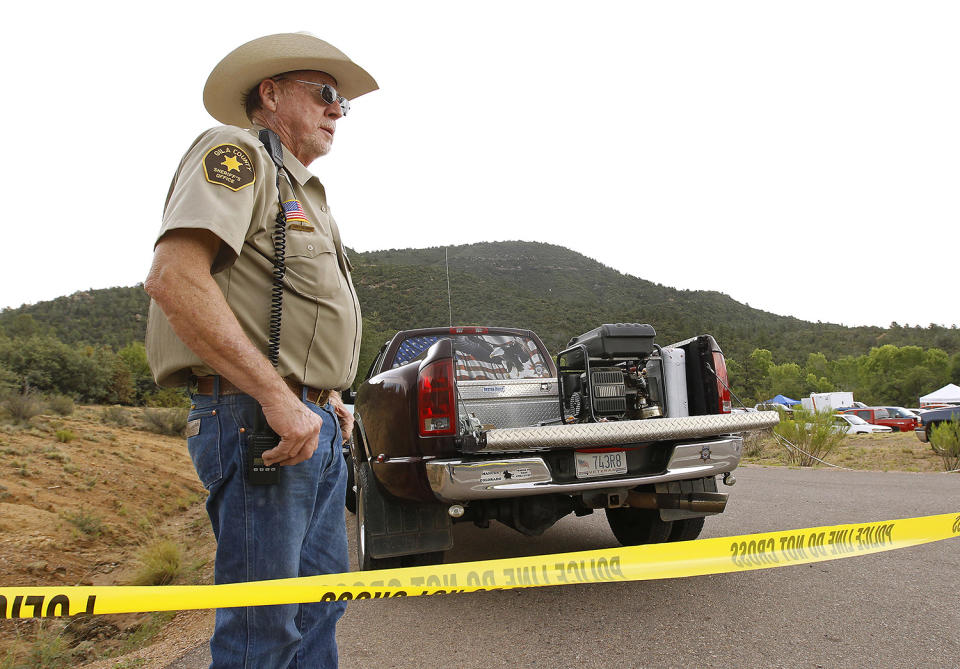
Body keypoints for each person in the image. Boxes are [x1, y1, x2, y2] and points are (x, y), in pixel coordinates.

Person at [144, 32, 377, 668]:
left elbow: (295, 313)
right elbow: (175, 278)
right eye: (326, 93)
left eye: (343, 104)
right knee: (263, 630)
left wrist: (329, 398)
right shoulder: (237, 153)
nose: (337, 109)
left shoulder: (304, 192)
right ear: (269, 94)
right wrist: (279, 396)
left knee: (319, 609)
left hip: (311, 422)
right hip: (262, 423)